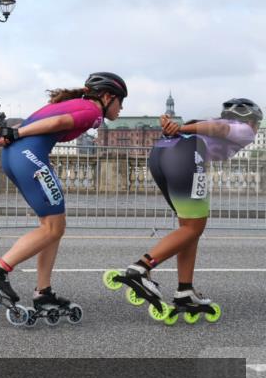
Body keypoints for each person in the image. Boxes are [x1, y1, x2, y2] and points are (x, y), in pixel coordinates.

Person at [0, 72, 127, 327]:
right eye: (120, 101)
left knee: (52, 228)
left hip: (15, 157)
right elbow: (58, 122)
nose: (121, 107)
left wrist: (13, 134)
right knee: (53, 228)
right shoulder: (92, 111)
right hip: (29, 157)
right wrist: (16, 134)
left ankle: (43, 291)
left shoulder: (71, 103)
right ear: (106, 97)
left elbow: (46, 120)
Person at [105, 98, 260, 324]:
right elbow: (219, 128)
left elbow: (211, 128)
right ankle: (140, 269)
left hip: (161, 154)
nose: (255, 129)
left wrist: (177, 128)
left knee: (188, 229)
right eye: (257, 123)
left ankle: (185, 289)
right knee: (195, 226)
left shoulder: (207, 122)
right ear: (251, 120)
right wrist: (180, 127)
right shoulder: (245, 130)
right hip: (186, 156)